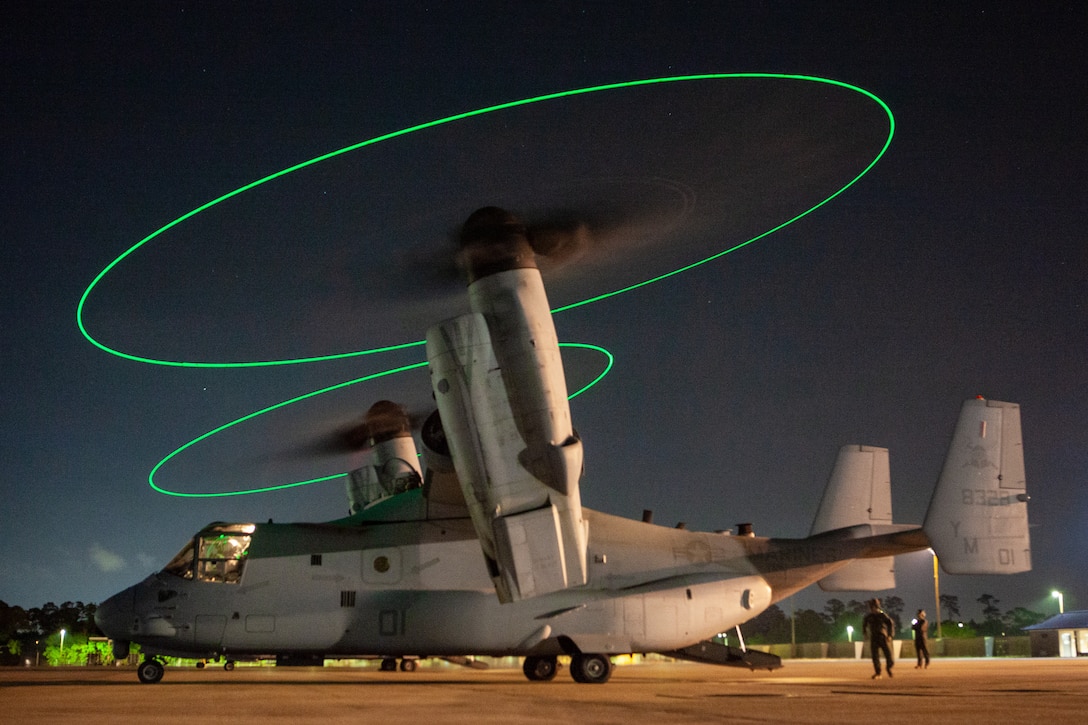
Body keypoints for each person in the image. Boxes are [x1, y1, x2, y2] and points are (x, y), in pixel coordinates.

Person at [862, 598, 895, 679]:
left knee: (888, 655)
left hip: (882, 636)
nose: (872, 609)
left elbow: (890, 624)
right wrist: (865, 633)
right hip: (874, 637)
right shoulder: (869, 617)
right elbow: (864, 625)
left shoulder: (882, 615)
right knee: (875, 656)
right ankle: (878, 673)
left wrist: (890, 635)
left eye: (873, 607)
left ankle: (888, 668)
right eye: (871, 607)